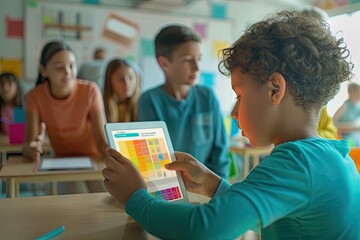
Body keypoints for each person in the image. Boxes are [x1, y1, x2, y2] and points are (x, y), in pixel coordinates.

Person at [102, 11, 360, 239]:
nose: (235, 112)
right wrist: (212, 185)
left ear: (275, 89)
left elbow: (201, 229)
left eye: (239, 96)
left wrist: (136, 197)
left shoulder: (296, 163)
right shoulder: (330, 157)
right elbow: (268, 215)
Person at [137, 24, 229, 178]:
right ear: (164, 63)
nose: (197, 67)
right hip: (168, 188)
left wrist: (219, 191)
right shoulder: (149, 101)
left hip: (208, 188)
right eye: (188, 60)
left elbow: (220, 152)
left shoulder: (207, 97)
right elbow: (152, 160)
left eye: (199, 59)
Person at [23, 40, 108, 193]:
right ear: (44, 70)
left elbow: (102, 142)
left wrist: (115, 158)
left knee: (104, 197)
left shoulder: (91, 91)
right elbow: (29, 144)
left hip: (95, 159)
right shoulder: (34, 97)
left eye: (72, 65)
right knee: (75, 200)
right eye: (59, 67)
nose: (68, 72)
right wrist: (32, 149)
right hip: (61, 162)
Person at [103, 58, 140, 122]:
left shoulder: (142, 104)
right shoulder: (101, 105)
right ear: (109, 81)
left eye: (131, 77)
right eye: (121, 79)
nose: (127, 83)